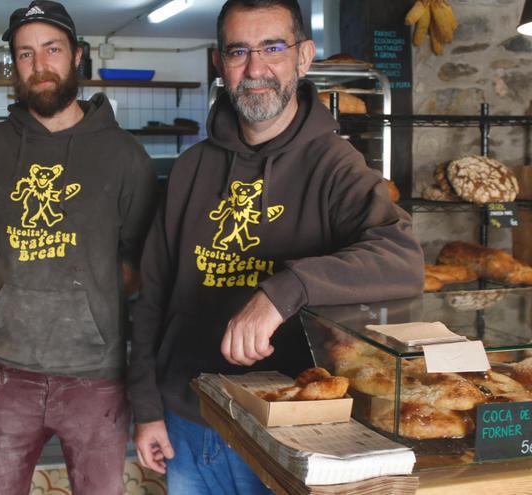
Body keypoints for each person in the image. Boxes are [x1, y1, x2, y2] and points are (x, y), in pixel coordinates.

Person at [127, 1, 424, 493]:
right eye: (239, 51)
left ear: (303, 57)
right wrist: (146, 408)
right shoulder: (189, 169)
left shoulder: (335, 165)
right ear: (219, 64)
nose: (255, 68)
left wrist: (281, 292)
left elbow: (402, 258)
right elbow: (152, 298)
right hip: (187, 418)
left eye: (272, 48)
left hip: (291, 432)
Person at [0, 1, 158, 493]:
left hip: (97, 376)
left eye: (51, 50)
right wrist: (14, 306)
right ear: (14, 65)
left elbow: (139, 267)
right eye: (25, 55)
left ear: (77, 56)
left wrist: (82, 306)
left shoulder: (126, 157)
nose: (39, 66)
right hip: (3, 375)